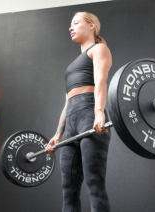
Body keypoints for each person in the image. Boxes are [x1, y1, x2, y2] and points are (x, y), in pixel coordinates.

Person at [45, 12, 112, 212]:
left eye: (76, 22)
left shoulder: (99, 49)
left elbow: (101, 81)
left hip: (89, 114)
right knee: (68, 189)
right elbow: (67, 102)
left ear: (91, 25)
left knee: (94, 182)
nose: (70, 27)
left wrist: (99, 112)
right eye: (70, 24)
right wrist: (58, 134)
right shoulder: (72, 65)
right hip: (71, 121)